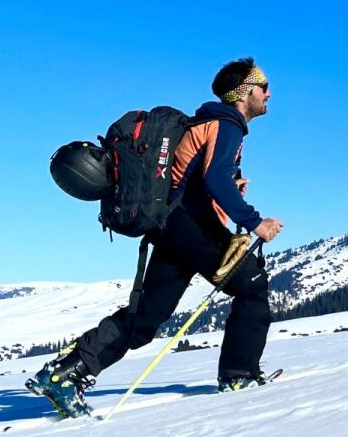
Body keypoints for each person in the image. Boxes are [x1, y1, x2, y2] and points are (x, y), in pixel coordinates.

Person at [28, 58, 285, 416]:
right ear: (245, 93)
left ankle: (65, 374)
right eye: (263, 87)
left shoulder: (208, 123)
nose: (269, 93)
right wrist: (255, 222)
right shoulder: (227, 125)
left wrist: (225, 191)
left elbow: (197, 179)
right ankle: (238, 375)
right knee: (252, 286)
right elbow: (215, 179)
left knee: (147, 316)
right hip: (191, 226)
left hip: (172, 227)